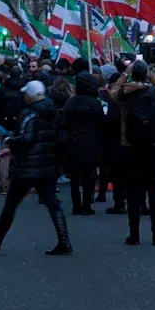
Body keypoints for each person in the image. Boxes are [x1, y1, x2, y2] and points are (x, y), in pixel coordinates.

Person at [0, 81, 72, 256]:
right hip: (48, 165)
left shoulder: (29, 114)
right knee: (53, 204)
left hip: (28, 166)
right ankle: (64, 241)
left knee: (11, 204)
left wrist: (9, 140)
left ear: (31, 95)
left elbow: (27, 139)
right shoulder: (53, 111)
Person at [112, 60, 155, 246]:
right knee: (153, 190)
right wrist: (150, 72)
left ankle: (134, 234)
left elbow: (112, 90)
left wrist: (124, 74)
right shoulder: (154, 92)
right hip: (153, 145)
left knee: (133, 191)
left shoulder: (122, 94)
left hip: (129, 144)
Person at [63, 71, 107, 215]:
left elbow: (64, 122)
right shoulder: (95, 103)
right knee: (89, 175)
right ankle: (87, 204)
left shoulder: (71, 102)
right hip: (91, 142)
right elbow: (102, 122)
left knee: (75, 177)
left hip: (73, 143)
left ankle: (76, 205)